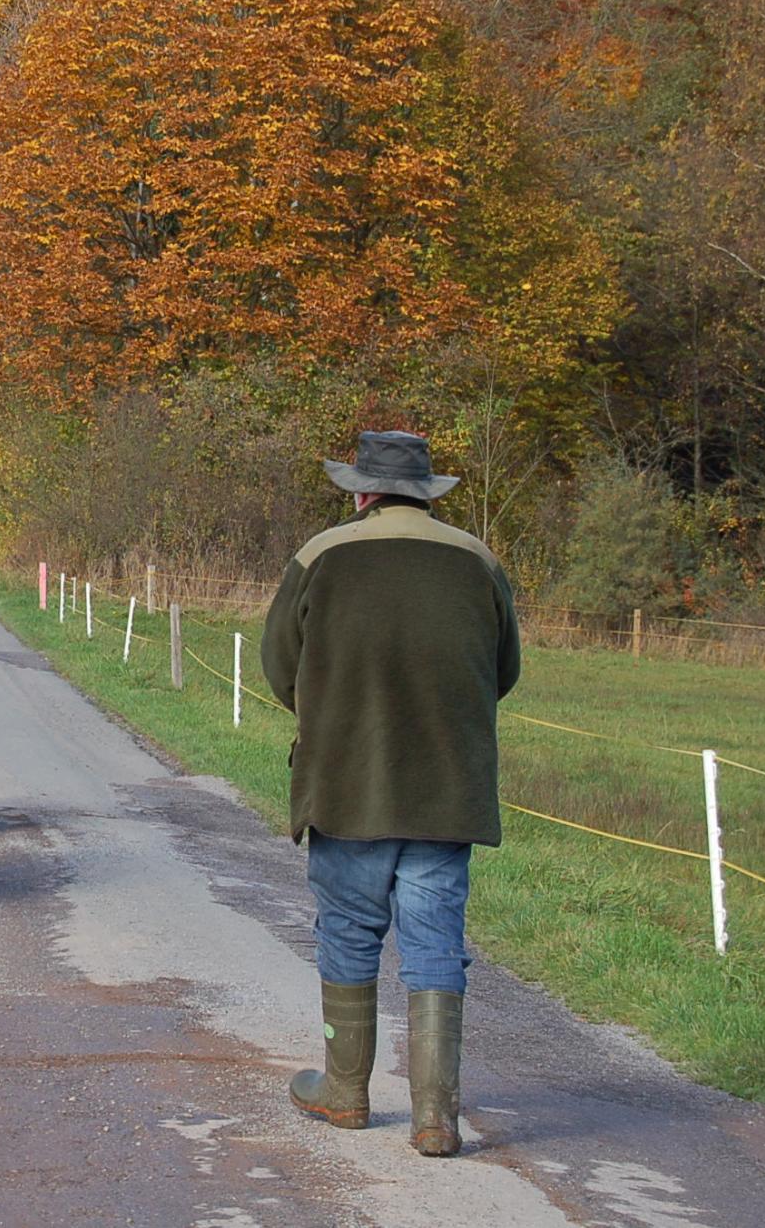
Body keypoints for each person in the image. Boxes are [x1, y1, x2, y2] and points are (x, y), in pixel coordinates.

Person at [262, 430, 521, 1158]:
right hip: (447, 786)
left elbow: (281, 666)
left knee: (348, 930)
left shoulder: (322, 554)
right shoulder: (479, 559)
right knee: (436, 942)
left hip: (347, 781)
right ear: (425, 492)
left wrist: (331, 714)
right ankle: (435, 1118)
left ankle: (346, 1093)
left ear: (362, 492)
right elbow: (503, 670)